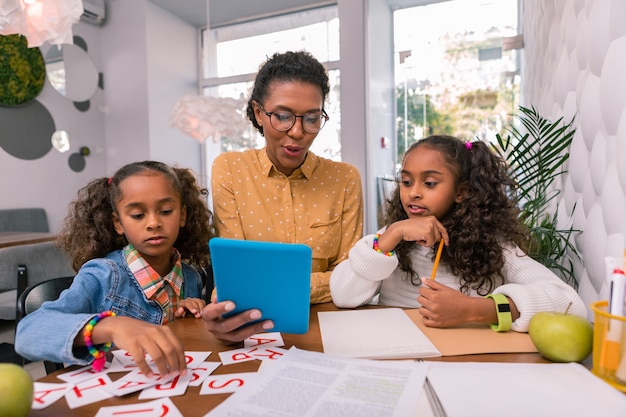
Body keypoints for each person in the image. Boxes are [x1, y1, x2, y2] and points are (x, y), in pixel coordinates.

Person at [330, 135, 586, 332]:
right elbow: (343, 296)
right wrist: (390, 236)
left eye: (429, 183)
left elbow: (570, 305)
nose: (414, 192)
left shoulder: (494, 246)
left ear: (461, 191)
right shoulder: (390, 238)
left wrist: (473, 309)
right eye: (407, 182)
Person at [202, 50, 364, 343]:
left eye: (312, 118)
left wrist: (263, 289)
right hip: (254, 331)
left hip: (334, 330)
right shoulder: (230, 170)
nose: (298, 132)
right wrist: (326, 283)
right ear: (258, 112)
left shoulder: (344, 179)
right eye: (283, 116)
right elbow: (235, 279)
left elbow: (352, 280)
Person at [15, 161, 214, 376]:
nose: (154, 222)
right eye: (138, 215)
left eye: (166, 211)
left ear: (182, 215)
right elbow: (28, 333)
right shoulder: (103, 275)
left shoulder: (191, 276)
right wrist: (110, 327)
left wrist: (190, 311)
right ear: (118, 223)